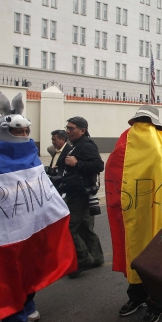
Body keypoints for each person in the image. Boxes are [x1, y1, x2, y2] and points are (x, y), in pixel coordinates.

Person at [0, 92, 75, 322]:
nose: (23, 135)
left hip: (31, 229)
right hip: (3, 234)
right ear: (4, 130)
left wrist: (58, 210)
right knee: (7, 277)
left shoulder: (30, 155)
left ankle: (28, 304)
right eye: (17, 131)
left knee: (30, 270)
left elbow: (43, 188)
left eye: (25, 131)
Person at [105, 105, 162, 322]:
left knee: (141, 250)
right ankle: (139, 297)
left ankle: (155, 302)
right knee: (140, 251)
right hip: (139, 207)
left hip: (144, 206)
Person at [61, 116, 105, 278]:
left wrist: (76, 163)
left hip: (81, 194)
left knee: (69, 227)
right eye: (67, 128)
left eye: (71, 128)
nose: (68, 131)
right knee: (85, 227)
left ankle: (83, 258)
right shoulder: (76, 145)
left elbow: (98, 165)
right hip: (77, 191)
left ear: (83, 130)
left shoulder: (86, 145)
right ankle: (97, 257)